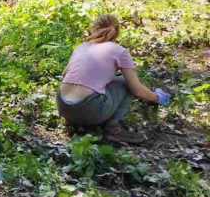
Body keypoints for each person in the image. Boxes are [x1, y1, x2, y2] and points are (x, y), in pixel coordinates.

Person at [56, 14, 171, 144]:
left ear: (93, 28)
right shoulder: (120, 52)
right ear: (116, 34)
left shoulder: (81, 47)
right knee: (124, 82)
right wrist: (157, 97)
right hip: (90, 109)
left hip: (62, 105)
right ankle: (113, 129)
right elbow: (137, 89)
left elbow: (65, 73)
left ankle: (84, 125)